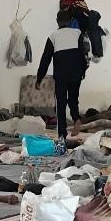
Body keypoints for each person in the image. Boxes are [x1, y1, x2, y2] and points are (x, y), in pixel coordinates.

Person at [36, 10, 90, 141]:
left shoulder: (53, 36)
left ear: (57, 21)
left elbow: (45, 59)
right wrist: (82, 72)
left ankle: (62, 135)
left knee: (61, 104)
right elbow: (83, 55)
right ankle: (76, 118)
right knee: (73, 99)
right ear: (70, 21)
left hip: (61, 74)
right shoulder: (77, 34)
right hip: (76, 73)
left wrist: (39, 78)